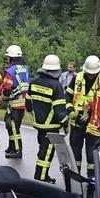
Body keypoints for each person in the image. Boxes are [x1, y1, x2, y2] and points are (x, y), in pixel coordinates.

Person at [27, 55, 68, 183]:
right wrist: (65, 123)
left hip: (39, 124)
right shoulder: (56, 86)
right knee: (46, 153)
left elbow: (28, 104)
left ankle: (39, 175)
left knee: (42, 151)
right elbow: (60, 111)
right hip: (51, 127)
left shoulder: (33, 82)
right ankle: (42, 178)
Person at [65, 55, 100, 173]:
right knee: (75, 150)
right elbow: (68, 95)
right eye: (89, 72)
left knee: (92, 153)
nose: (91, 75)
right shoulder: (77, 77)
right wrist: (70, 110)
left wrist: (90, 112)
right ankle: (75, 176)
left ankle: (92, 180)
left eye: (93, 73)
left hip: (92, 121)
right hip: (76, 120)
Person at [1, 45, 31, 159]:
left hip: (15, 102)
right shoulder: (25, 68)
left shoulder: (10, 71)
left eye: (8, 57)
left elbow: (7, 88)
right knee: (12, 125)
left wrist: (3, 97)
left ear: (11, 58)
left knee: (13, 127)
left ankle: (17, 150)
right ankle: (11, 147)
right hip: (23, 102)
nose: (7, 59)